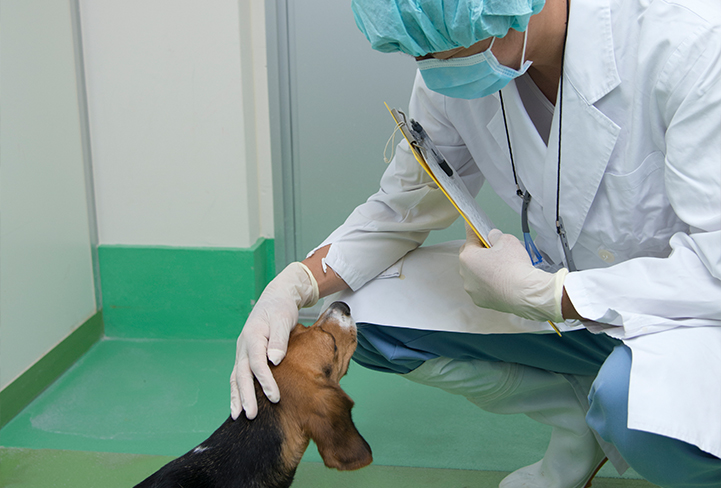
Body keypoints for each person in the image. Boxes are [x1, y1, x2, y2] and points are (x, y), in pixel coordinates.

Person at [230, 0, 721, 486]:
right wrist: (295, 285)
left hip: (694, 317)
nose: (440, 66)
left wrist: (554, 296)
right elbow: (404, 204)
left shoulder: (690, 45)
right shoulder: (455, 57)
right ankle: (575, 421)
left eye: (451, 41)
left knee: (633, 404)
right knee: (358, 311)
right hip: (557, 292)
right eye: (424, 49)